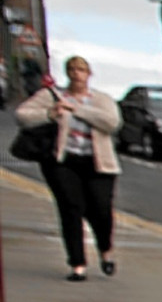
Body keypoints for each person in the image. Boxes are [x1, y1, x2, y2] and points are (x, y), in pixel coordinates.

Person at [16, 55, 121, 282]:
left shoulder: (101, 99)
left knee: (101, 210)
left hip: (98, 163)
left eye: (81, 70)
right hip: (62, 162)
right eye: (72, 69)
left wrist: (77, 110)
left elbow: (111, 123)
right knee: (71, 208)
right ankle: (77, 264)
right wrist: (50, 113)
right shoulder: (52, 96)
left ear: (88, 74)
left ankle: (106, 250)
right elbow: (22, 115)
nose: (76, 74)